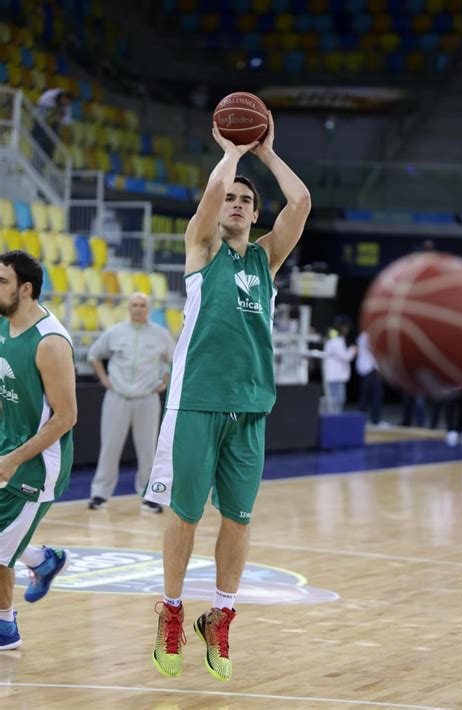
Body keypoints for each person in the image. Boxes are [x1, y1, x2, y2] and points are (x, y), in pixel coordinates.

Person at [143, 112, 311, 680]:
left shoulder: (266, 260)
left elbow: (301, 201)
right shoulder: (202, 248)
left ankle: (221, 615)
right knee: (185, 513)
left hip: (252, 407)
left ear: (256, 215)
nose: (235, 203)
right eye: (230, 198)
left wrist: (264, 152)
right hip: (197, 402)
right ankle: (170, 611)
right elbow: (213, 192)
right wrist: (231, 152)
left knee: (238, 519)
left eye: (246, 201)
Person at [0, 250, 76, 650]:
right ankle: (42, 560)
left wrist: (12, 459)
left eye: (2, 282)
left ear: (25, 289)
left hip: (35, 465)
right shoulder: (3, 325)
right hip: (5, 446)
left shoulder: (50, 343)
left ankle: (5, 628)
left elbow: (65, 417)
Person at [88, 292, 175, 512]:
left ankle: (150, 496)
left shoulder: (161, 335)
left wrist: (163, 381)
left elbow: (174, 361)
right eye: (134, 305)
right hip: (117, 397)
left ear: (149, 309)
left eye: (142, 305)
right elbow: (93, 355)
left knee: (148, 449)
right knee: (109, 447)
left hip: (147, 398)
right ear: (129, 308)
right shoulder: (115, 332)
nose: (138, 308)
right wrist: (105, 379)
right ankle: (99, 494)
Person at [322, 316, 357, 413]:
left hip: (337, 376)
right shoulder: (335, 340)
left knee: (338, 400)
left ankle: (334, 420)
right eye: (346, 327)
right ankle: (333, 421)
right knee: (335, 401)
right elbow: (345, 356)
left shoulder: (337, 338)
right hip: (334, 377)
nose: (347, 330)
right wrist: (353, 350)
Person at [32, 88, 73, 159]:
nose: (65, 103)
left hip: (53, 124)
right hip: (41, 121)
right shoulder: (49, 96)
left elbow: (68, 120)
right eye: (64, 101)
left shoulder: (67, 105)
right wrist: (53, 114)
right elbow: (40, 104)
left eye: (67, 102)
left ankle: (47, 161)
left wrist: (61, 120)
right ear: (62, 97)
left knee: (51, 144)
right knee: (40, 142)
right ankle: (36, 160)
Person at [356, 331, 384, 425]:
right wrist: (378, 367)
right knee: (375, 395)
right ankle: (375, 420)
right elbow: (373, 351)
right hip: (369, 368)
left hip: (364, 368)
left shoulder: (361, 336)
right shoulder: (367, 335)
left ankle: (361, 419)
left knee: (366, 395)